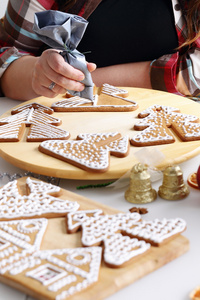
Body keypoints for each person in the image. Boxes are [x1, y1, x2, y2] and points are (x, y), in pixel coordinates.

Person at [0, 0, 199, 101]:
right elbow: (5, 55)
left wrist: (80, 82)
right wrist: (37, 73)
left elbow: (193, 75)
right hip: (60, 132)